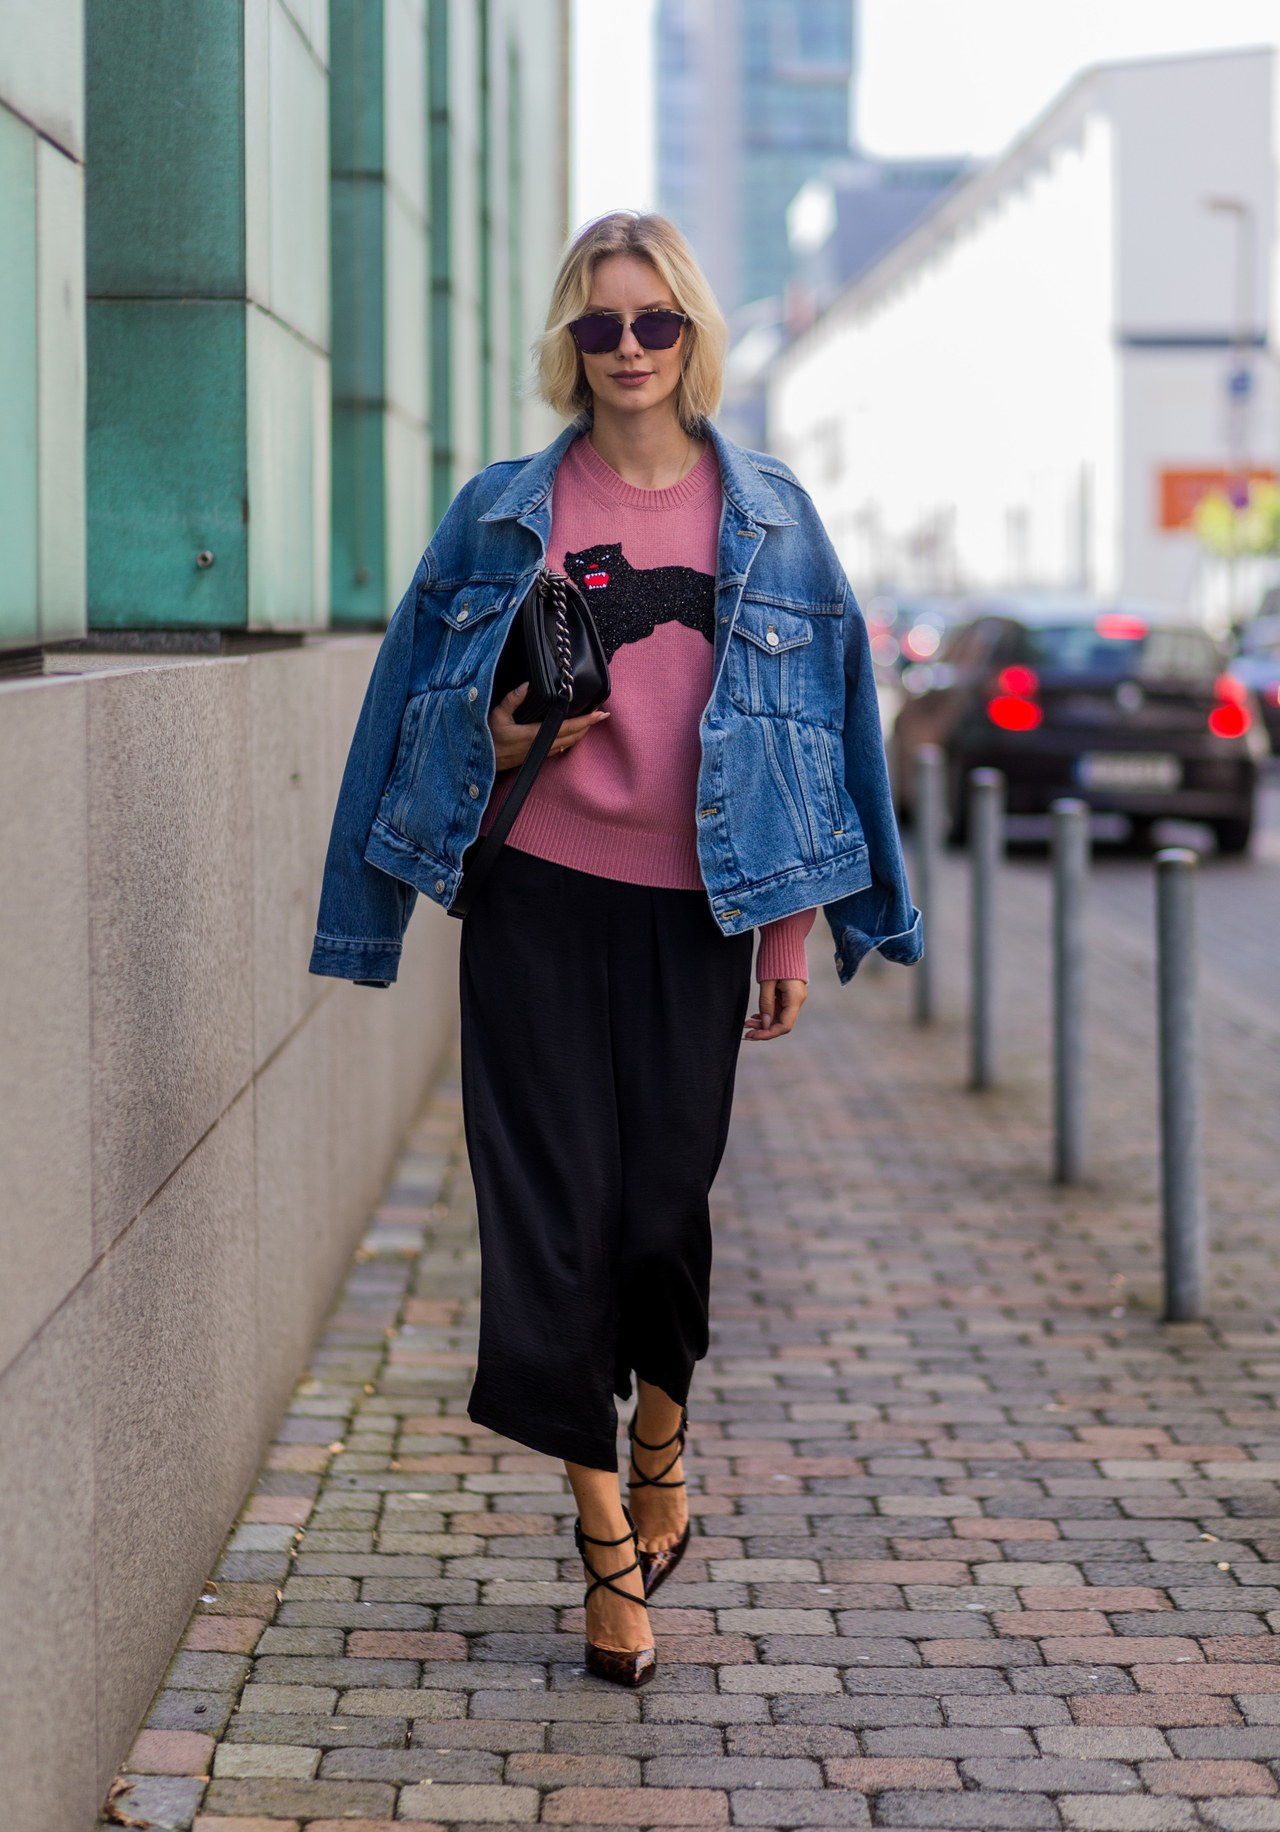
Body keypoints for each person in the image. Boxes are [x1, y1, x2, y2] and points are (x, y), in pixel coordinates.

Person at [309, 210, 922, 1687]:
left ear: (693, 335)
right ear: (569, 344)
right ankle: (603, 1556)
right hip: (535, 900)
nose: (631, 350)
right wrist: (501, 731)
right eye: (601, 326)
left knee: (659, 1215)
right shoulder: (502, 510)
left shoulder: (767, 511)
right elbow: (408, 705)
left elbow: (822, 733)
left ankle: (662, 1434)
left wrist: (795, 926)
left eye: (654, 323)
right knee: (552, 1230)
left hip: (696, 911)